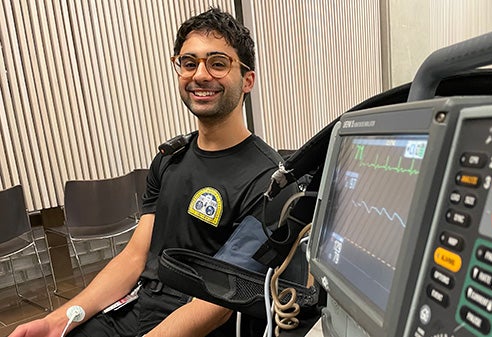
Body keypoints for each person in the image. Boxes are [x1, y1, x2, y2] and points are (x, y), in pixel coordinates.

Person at [10, 7, 288, 337]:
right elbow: (134, 257)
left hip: (195, 321)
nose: (200, 75)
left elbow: (217, 304)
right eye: (189, 63)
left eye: (217, 63)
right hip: (141, 305)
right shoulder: (169, 160)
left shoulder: (268, 181)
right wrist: (60, 319)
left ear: (247, 80)